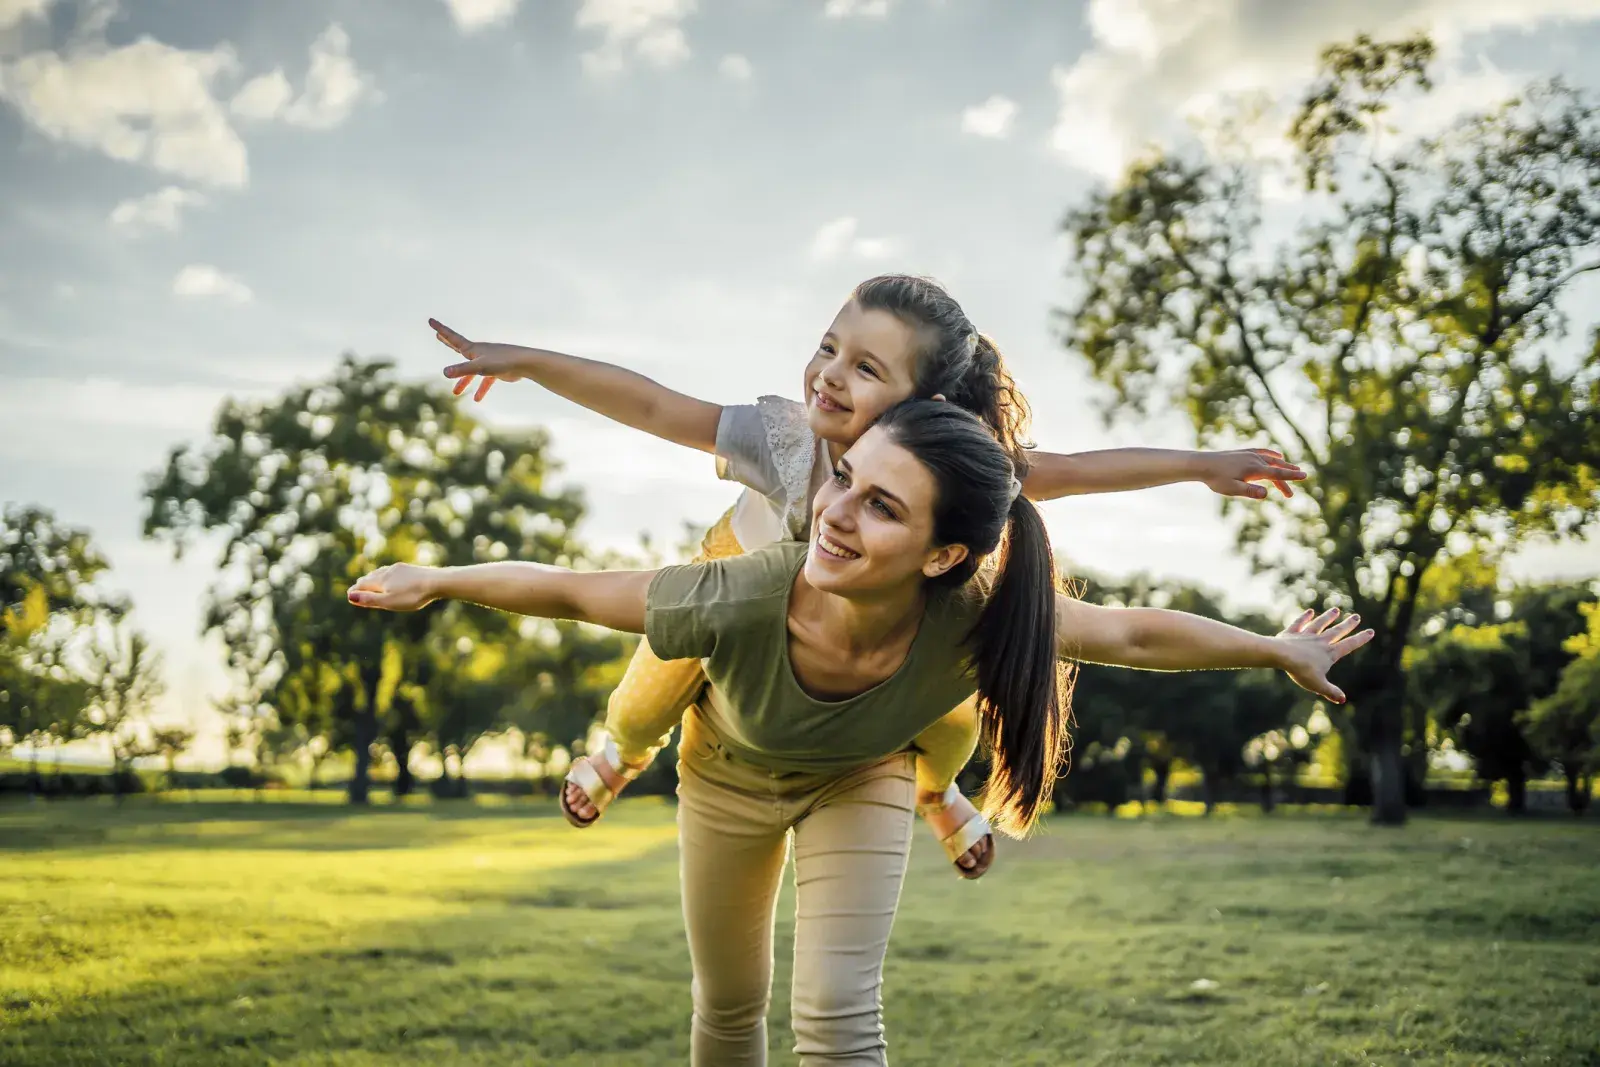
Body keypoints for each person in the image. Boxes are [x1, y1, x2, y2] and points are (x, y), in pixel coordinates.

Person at [349, 398, 1369, 1066]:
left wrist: (1274, 648)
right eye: (845, 480)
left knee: (838, 1016)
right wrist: (437, 577)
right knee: (730, 1004)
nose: (834, 514)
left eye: (883, 506)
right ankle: (624, 749)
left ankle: (938, 790)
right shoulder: (750, 588)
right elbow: (578, 590)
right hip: (725, 778)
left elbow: (1132, 631)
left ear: (942, 554)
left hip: (863, 778)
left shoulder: (973, 609)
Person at [427, 274, 1306, 876]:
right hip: (746, 589)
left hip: (873, 624)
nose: (828, 377)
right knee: (661, 673)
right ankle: (620, 751)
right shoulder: (784, 437)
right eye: (827, 348)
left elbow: (1070, 471)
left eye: (865, 368)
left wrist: (1200, 463)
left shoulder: (947, 465)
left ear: (923, 405)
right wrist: (529, 363)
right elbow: (659, 406)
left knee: (952, 691)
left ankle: (938, 790)